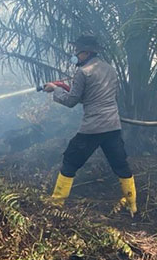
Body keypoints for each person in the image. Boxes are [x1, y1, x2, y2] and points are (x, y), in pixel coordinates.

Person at [42, 35, 137, 216]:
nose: (74, 54)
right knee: (121, 164)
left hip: (92, 128)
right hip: (112, 126)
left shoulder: (83, 72)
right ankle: (132, 205)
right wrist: (64, 86)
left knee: (70, 161)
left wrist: (55, 89)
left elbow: (71, 101)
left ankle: (56, 205)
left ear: (86, 52)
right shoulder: (110, 69)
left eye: (77, 51)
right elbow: (96, 95)